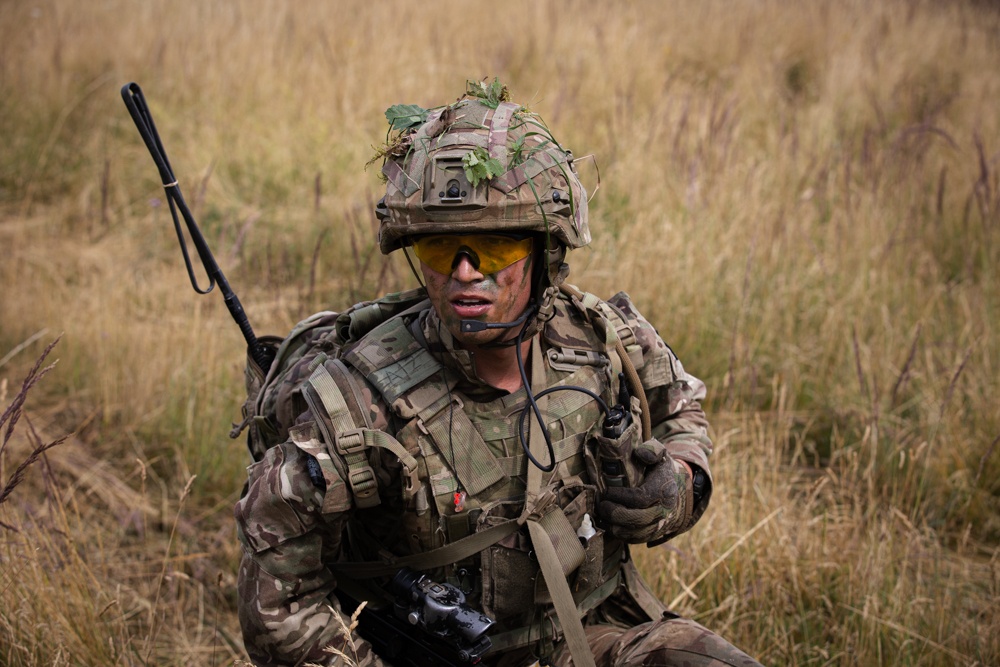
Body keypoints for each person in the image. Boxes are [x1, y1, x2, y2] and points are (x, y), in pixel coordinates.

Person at [234, 81, 763, 667]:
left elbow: (679, 412)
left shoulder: (603, 339)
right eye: (440, 250)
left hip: (594, 635)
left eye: (492, 248)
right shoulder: (358, 403)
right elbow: (278, 595)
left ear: (544, 251)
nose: (464, 273)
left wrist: (681, 486)